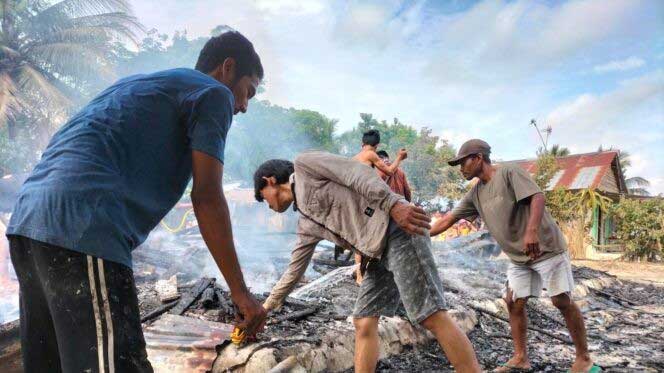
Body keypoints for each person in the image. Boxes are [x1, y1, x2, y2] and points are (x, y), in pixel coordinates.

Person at [6, 30, 267, 373]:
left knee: (50, 364)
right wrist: (241, 292)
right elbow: (206, 198)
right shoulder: (213, 93)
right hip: (83, 228)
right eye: (248, 91)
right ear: (228, 68)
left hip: (27, 224)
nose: (245, 105)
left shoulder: (140, 85)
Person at [254, 152, 481, 373]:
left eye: (263, 197)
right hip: (377, 253)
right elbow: (295, 269)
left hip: (398, 229)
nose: (268, 205)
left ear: (269, 181)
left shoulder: (305, 165)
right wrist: (266, 308)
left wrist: (393, 204)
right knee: (363, 320)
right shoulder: (306, 223)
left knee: (431, 315)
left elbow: (356, 172)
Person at [430, 139, 600, 373]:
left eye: (463, 163)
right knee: (513, 302)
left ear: (478, 158)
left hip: (545, 247)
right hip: (519, 258)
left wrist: (531, 231)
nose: (461, 169)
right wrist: (416, 232)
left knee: (561, 300)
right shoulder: (476, 193)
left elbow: (537, 197)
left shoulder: (509, 172)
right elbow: (449, 219)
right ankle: (520, 357)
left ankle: (583, 358)